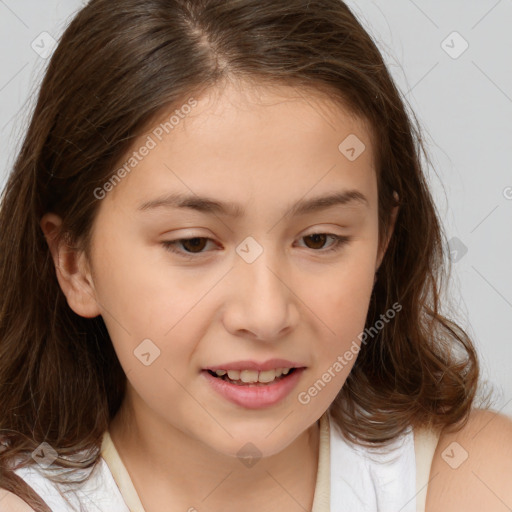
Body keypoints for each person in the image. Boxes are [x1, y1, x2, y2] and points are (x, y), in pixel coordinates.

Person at [0, 0, 511, 511]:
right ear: (75, 264)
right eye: (193, 243)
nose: (265, 315)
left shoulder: (475, 477)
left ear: (383, 239)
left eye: (318, 240)